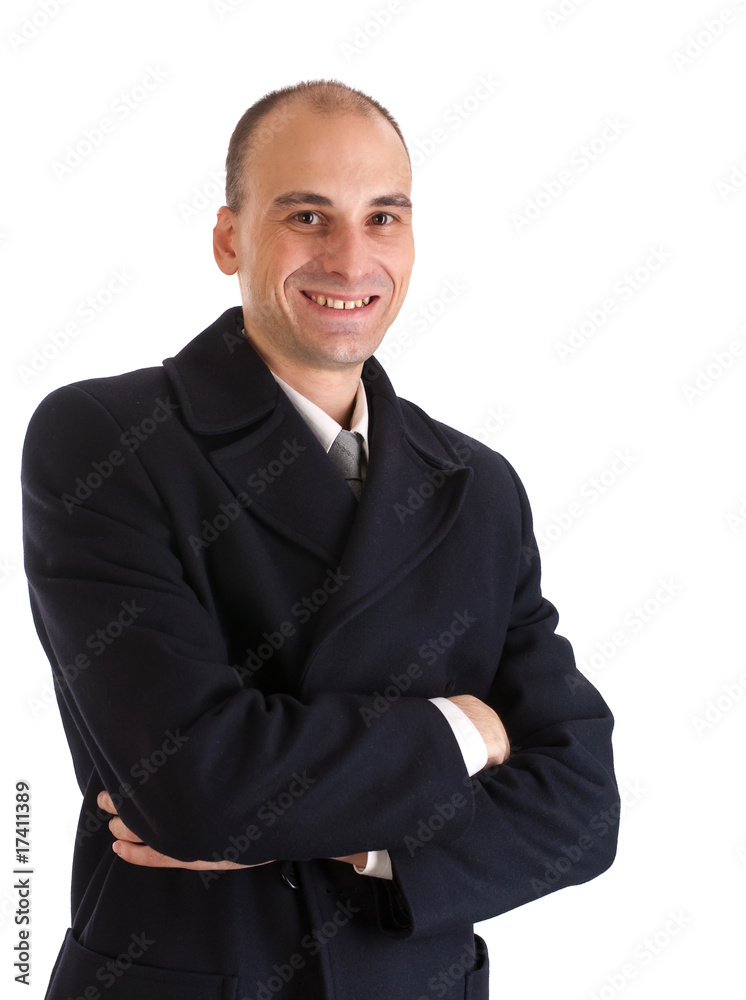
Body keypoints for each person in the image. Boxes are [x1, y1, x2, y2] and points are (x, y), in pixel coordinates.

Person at [22, 79, 619, 1000]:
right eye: (308, 214)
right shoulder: (107, 439)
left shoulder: (477, 486)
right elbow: (194, 787)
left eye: (383, 217)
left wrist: (361, 839)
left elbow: (583, 809)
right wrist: (467, 729)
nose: (350, 257)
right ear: (230, 238)